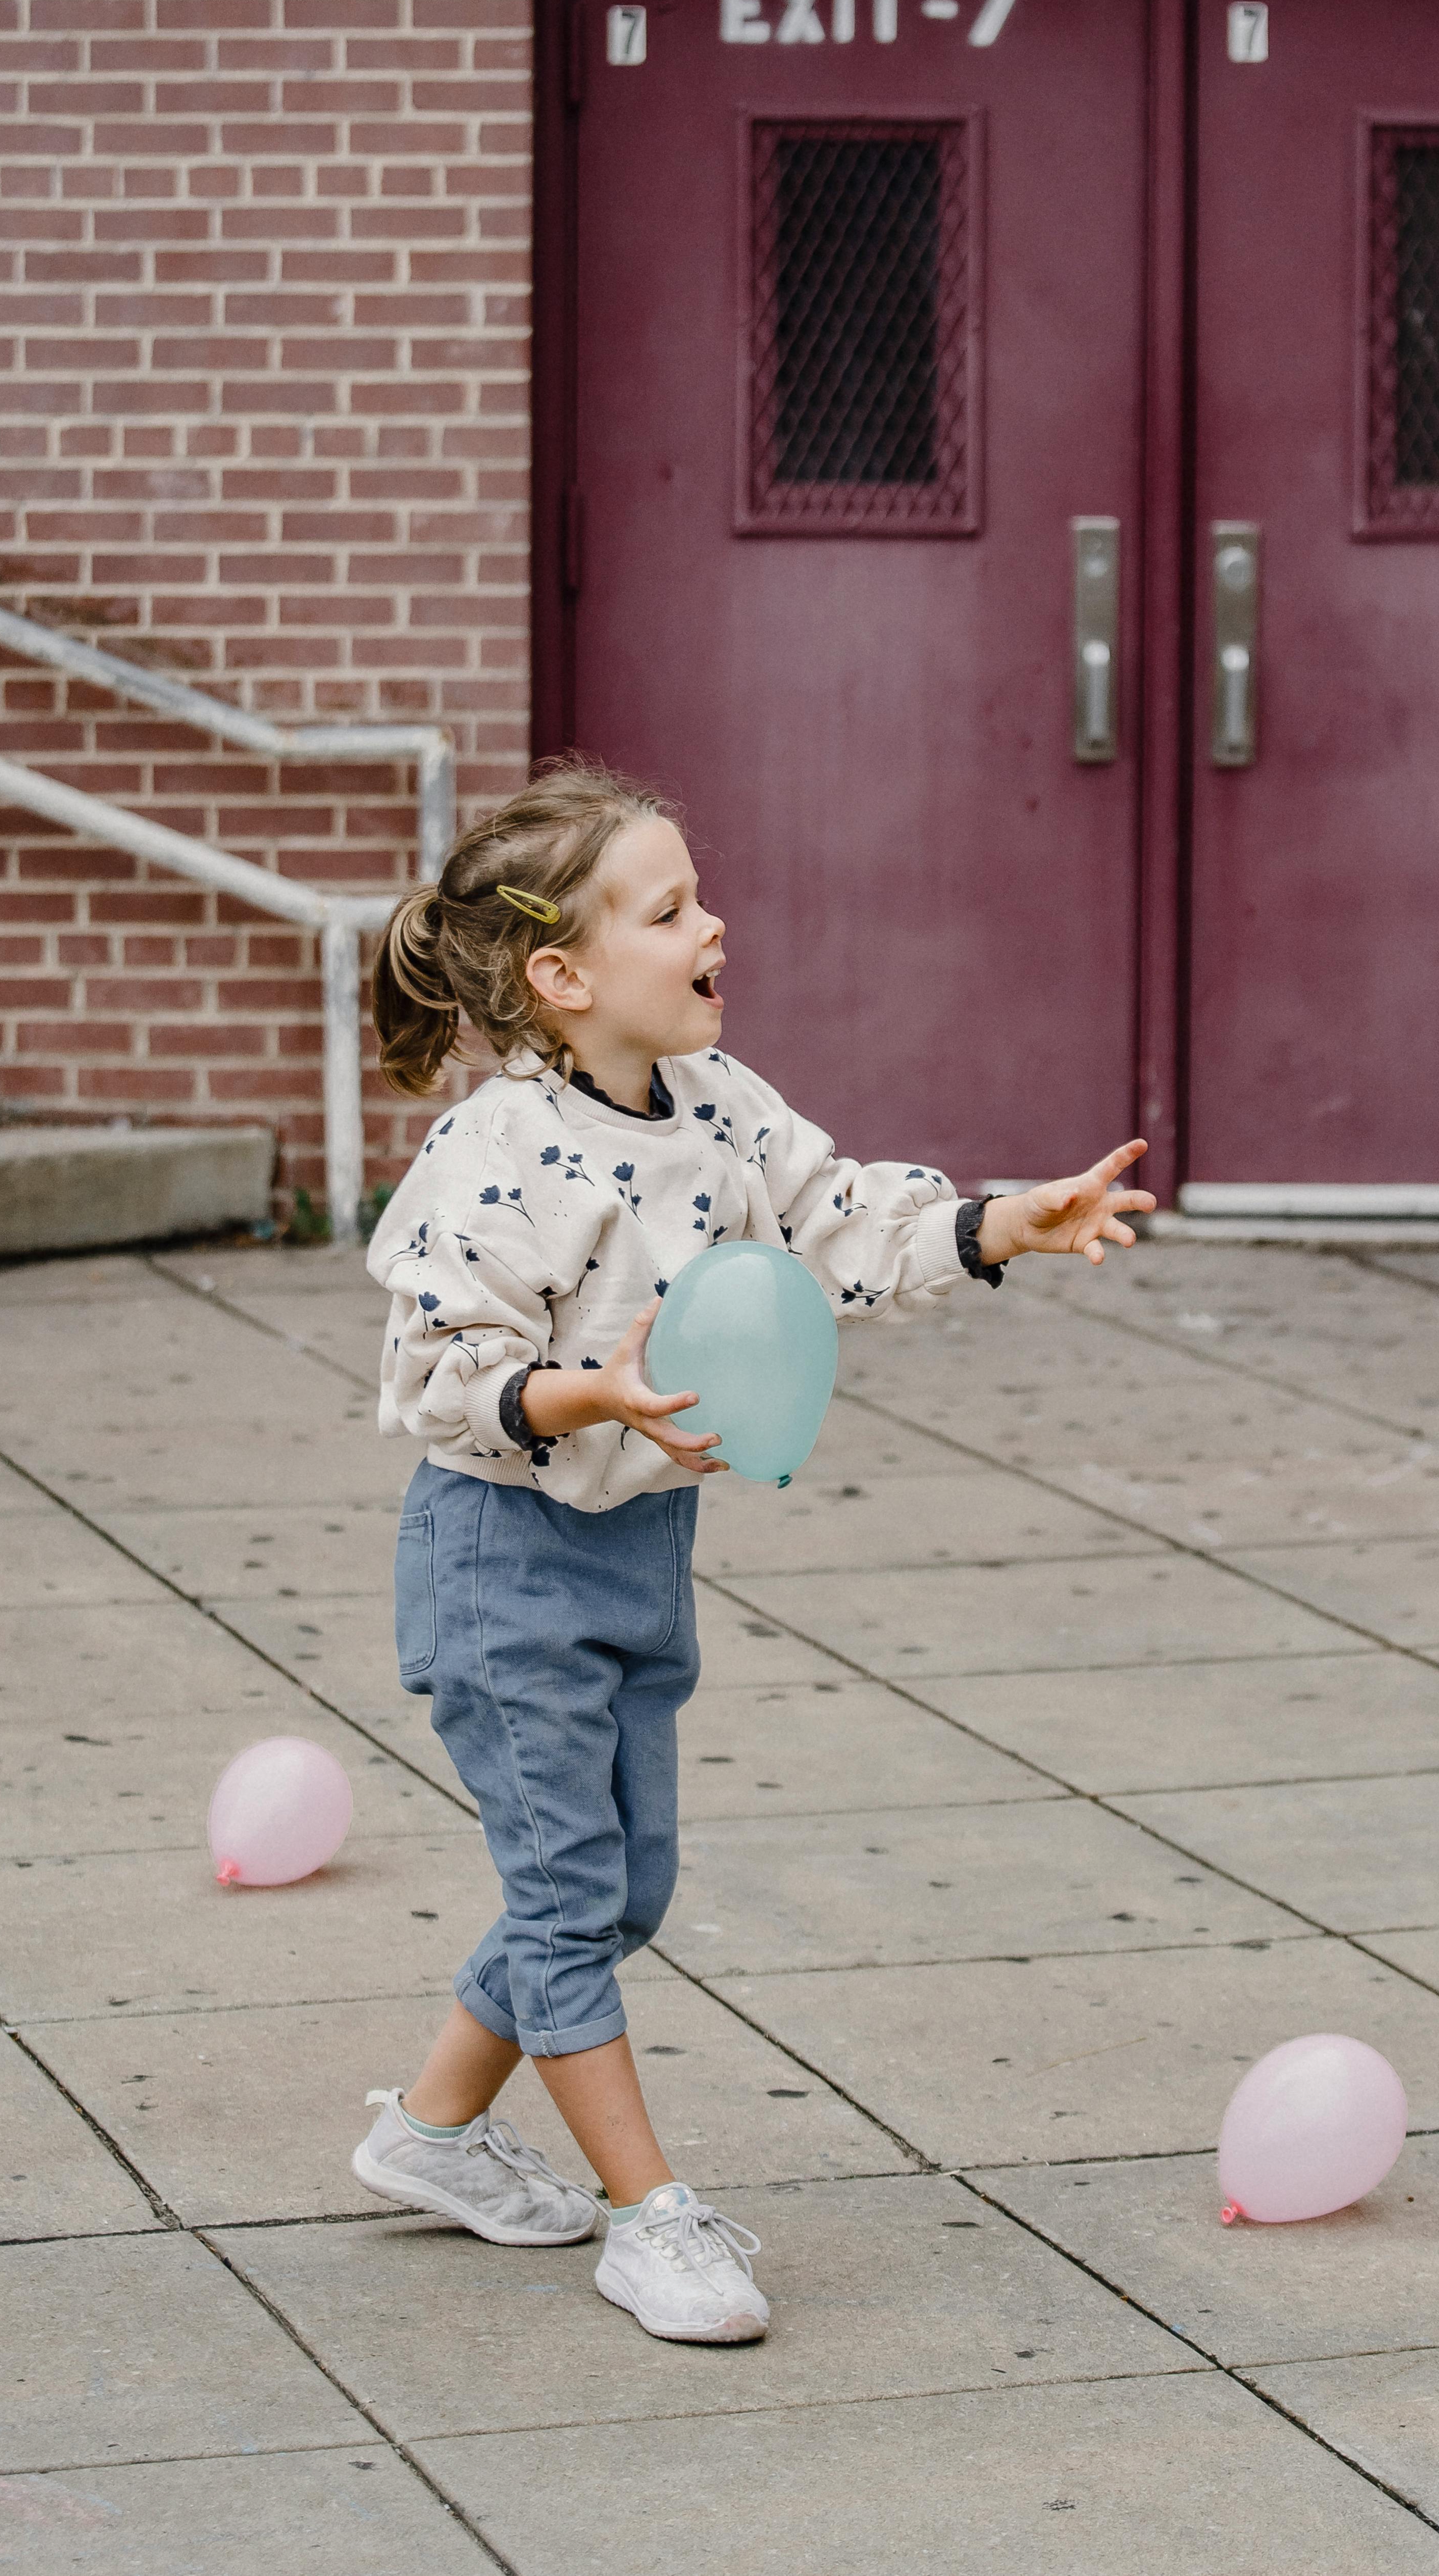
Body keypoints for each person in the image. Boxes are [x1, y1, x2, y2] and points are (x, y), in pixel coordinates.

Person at [350, 761, 1154, 2344]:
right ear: (561, 979)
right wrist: (587, 1390)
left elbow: (840, 1223)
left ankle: (426, 2135)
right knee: (573, 1896)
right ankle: (650, 2222)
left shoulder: (719, 1111)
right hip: (503, 1559)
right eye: (669, 910)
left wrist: (1004, 1221)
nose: (714, 924)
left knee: (625, 1881)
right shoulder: (494, 1151)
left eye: (697, 894)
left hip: (634, 1553)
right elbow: (437, 1368)